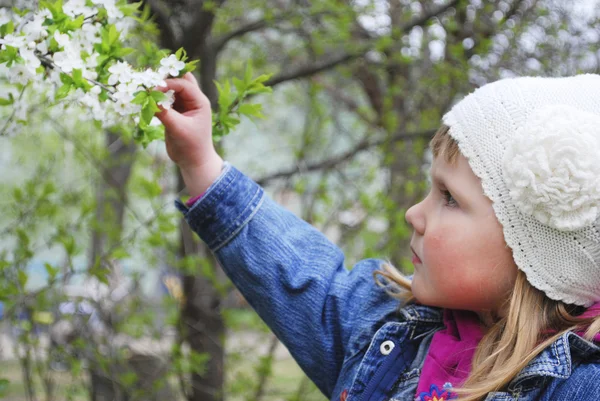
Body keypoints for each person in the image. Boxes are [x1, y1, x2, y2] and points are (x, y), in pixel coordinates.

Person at [155, 73, 600, 401]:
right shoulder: (386, 331)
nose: (414, 213)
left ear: (532, 253)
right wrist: (202, 166)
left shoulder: (577, 387)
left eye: (448, 198)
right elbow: (304, 281)